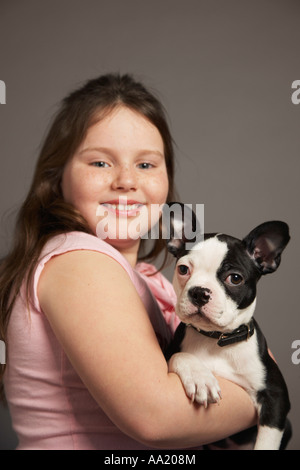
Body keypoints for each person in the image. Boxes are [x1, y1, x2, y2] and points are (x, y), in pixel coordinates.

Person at [0, 73, 256, 450]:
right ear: (57, 178)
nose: (126, 181)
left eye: (147, 165)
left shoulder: (152, 280)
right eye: (100, 163)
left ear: (166, 178)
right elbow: (155, 417)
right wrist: (265, 397)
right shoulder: (80, 262)